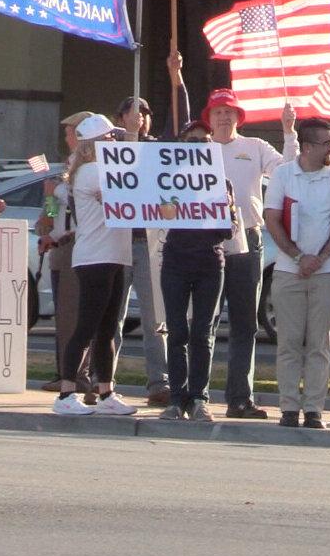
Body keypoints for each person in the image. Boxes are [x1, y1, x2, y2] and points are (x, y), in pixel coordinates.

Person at [187, 61, 296, 419]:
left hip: (247, 238)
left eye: (228, 112)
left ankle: (239, 398)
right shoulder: (197, 150)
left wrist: (289, 132)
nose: (223, 117)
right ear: (209, 116)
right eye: (217, 112)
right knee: (204, 321)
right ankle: (196, 394)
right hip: (206, 242)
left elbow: (287, 171)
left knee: (246, 323)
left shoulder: (255, 145)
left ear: (238, 115)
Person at [263, 118, 330, 429]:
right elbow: (272, 218)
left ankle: (314, 409)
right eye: (327, 142)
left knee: (320, 343)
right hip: (289, 271)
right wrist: (298, 256)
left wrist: (321, 257)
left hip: (326, 273)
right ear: (307, 147)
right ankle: (289, 407)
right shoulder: (283, 174)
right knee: (289, 342)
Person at [52, 114, 136, 415]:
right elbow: (131, 190)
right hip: (95, 257)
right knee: (86, 327)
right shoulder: (91, 171)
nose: (114, 141)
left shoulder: (101, 169)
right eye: (109, 137)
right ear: (94, 144)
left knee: (107, 329)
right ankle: (65, 393)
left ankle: (105, 393)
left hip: (114, 255)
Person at [157, 121, 233, 421]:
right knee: (177, 332)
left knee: (203, 333)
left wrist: (224, 208)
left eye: (204, 141)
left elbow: (228, 232)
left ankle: (199, 397)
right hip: (175, 260)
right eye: (192, 141)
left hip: (209, 263)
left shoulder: (222, 183)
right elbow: (159, 214)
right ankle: (177, 398)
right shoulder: (169, 181)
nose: (198, 146)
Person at [111, 95, 170, 406]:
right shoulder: (109, 147)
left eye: (145, 113)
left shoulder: (159, 149)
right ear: (121, 118)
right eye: (133, 113)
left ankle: (159, 382)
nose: (140, 118)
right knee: (112, 316)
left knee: (154, 318)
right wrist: (128, 137)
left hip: (149, 242)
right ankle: (102, 380)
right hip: (118, 241)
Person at [36, 111, 94, 396]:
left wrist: (53, 193)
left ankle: (77, 374)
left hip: (75, 244)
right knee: (63, 315)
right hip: (59, 247)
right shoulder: (67, 166)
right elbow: (51, 213)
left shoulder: (86, 167)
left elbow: (72, 203)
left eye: (71, 131)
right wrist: (49, 199)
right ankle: (64, 371)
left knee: (73, 315)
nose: (67, 137)